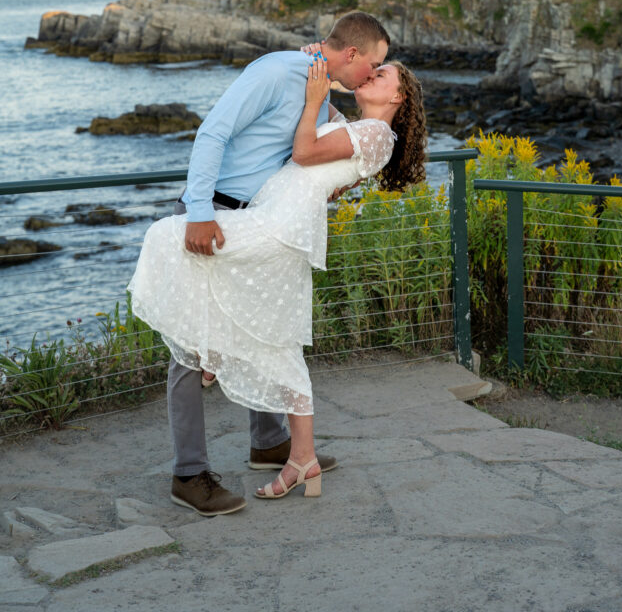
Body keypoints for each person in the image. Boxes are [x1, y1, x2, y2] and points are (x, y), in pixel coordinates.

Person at [129, 51, 426, 506]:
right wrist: (320, 70)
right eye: (370, 65)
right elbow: (332, 120)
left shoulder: (374, 133)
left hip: (278, 228)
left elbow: (304, 151)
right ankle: (261, 440)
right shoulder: (357, 125)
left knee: (168, 241)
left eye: (380, 73)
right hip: (277, 220)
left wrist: (312, 101)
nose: (369, 74)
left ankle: (242, 404)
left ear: (398, 95)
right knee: (261, 328)